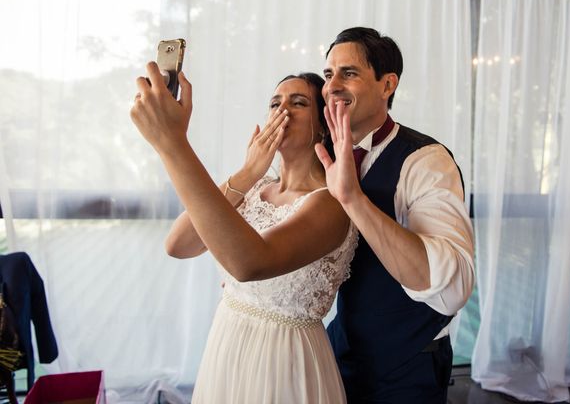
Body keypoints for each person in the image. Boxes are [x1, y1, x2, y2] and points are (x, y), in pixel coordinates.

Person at [130, 64, 359, 403]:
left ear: (323, 126)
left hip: (283, 360)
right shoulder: (256, 187)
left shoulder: (330, 203)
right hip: (228, 341)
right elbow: (178, 244)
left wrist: (172, 145)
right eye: (274, 103)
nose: (282, 111)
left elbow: (248, 264)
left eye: (298, 103)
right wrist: (248, 172)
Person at [314, 27, 475, 403]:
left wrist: (353, 198)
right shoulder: (326, 154)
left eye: (348, 73)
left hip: (407, 365)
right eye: (328, 74)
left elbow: (453, 290)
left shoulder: (426, 161)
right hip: (340, 350)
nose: (332, 85)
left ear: (387, 85)